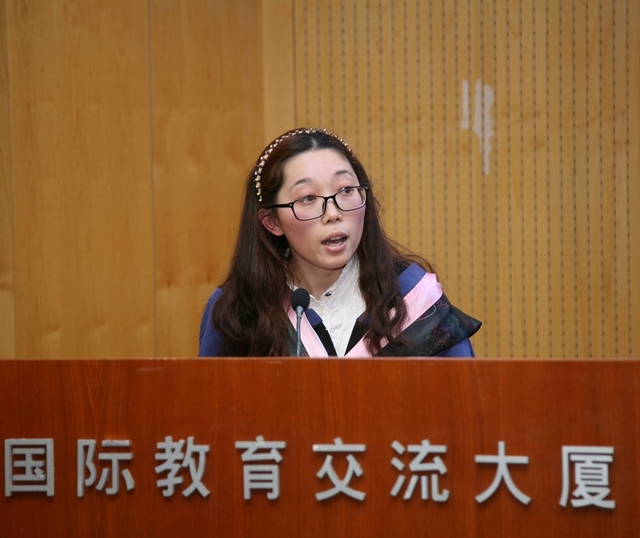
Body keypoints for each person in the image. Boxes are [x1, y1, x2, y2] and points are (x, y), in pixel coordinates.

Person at [199, 128, 480, 357]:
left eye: (346, 190)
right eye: (308, 198)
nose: (333, 213)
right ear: (272, 221)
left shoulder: (416, 301)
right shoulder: (238, 311)